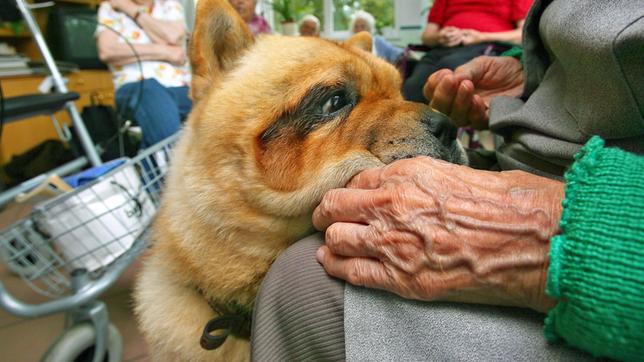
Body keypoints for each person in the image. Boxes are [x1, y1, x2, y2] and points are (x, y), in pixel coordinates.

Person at [251, 0, 644, 361]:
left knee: (303, 280)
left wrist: (569, 235)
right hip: (520, 128)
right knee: (429, 76)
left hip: (603, 239)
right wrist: (533, 77)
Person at [96, 0, 191, 149]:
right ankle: (172, 163)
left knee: (213, 103)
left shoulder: (169, 5)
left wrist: (131, 9)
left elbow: (172, 37)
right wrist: (165, 51)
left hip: (180, 89)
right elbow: (108, 51)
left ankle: (153, 160)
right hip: (135, 88)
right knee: (150, 90)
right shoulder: (111, 8)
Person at [402, 0, 532, 103]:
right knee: (411, 86)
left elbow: (524, 34)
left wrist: (482, 36)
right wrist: (440, 36)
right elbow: (427, 35)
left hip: (487, 47)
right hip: (442, 49)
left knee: (449, 71)